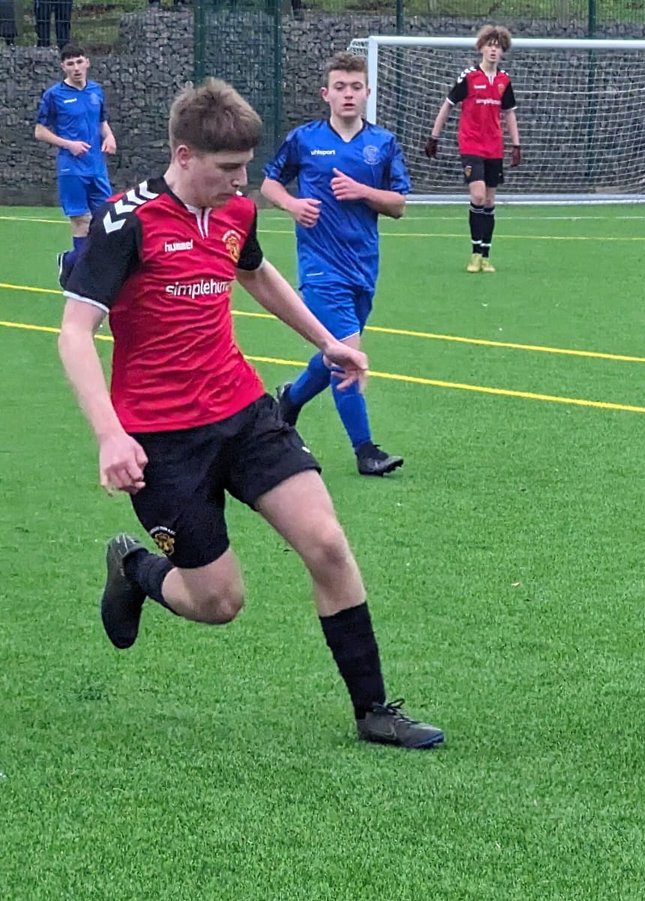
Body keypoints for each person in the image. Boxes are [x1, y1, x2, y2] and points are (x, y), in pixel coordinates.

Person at [58, 78, 443, 749]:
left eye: (246, 167)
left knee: (326, 541)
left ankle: (374, 708)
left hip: (242, 412)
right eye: (227, 169)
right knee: (219, 602)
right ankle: (134, 570)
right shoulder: (127, 222)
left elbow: (257, 274)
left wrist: (327, 341)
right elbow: (73, 332)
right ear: (183, 154)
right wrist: (109, 435)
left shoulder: (236, 212)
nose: (242, 184)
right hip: (161, 440)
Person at [261, 52, 409, 477]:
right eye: (340, 87)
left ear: (367, 92)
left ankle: (290, 400)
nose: (348, 94)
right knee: (347, 357)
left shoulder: (381, 144)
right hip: (320, 267)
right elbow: (270, 182)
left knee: (334, 353)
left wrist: (362, 191)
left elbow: (398, 204)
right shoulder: (304, 139)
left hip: (363, 266)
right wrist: (292, 204)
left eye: (355, 87)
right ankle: (366, 451)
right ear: (326, 94)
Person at [423, 24, 521, 273]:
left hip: (494, 148)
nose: (493, 50)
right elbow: (447, 105)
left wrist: (516, 145)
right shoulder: (468, 77)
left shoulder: (504, 81)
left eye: (498, 47)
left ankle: (486, 255)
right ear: (481, 47)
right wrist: (434, 137)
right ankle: (475, 253)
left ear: (503, 52)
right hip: (471, 145)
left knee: (489, 201)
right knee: (477, 196)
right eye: (489, 45)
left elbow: (509, 114)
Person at [35, 44, 116, 284]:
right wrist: (68, 144)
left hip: (97, 168)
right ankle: (83, 286)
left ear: (87, 63)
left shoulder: (96, 91)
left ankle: (69, 261)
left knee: (104, 223)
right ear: (63, 67)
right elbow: (39, 131)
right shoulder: (54, 95)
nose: (76, 68)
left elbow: (102, 122)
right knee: (81, 223)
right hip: (71, 169)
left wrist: (109, 136)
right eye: (70, 64)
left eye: (79, 62)